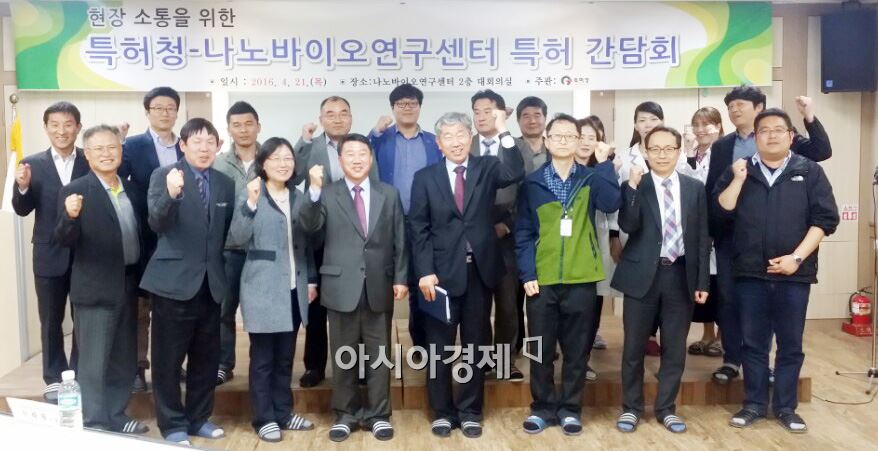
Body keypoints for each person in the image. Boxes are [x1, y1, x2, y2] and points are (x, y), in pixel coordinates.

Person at [716, 108, 838, 434]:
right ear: (755, 137)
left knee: (790, 344)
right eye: (764, 130)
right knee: (753, 344)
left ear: (791, 136)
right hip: (750, 273)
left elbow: (825, 220)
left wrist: (796, 258)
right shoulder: (741, 169)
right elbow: (721, 210)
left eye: (778, 130)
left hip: (794, 274)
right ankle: (754, 404)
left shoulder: (808, 170)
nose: (771, 135)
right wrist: (738, 179)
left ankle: (786, 408)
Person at [410, 110, 525, 438]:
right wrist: (425, 272)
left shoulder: (486, 167)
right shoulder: (425, 177)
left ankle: (471, 410)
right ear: (439, 143)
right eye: (448, 136)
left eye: (461, 134)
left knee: (476, 344)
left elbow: (514, 171)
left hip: (479, 272)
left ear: (470, 136)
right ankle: (442, 412)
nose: (456, 142)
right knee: (439, 348)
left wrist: (503, 129)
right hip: (440, 278)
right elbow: (418, 228)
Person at [515, 113, 620, 436]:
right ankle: (542, 408)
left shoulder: (591, 178)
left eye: (570, 136)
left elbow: (611, 202)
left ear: (578, 142)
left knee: (577, 351)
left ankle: (571, 409)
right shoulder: (532, 183)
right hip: (542, 280)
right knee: (540, 349)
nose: (563, 141)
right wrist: (527, 273)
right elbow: (523, 232)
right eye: (557, 136)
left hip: (581, 278)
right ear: (546, 141)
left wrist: (604, 164)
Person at [299, 133, 408, 442]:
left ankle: (379, 415)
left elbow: (400, 239)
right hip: (340, 285)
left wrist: (401, 277)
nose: (357, 159)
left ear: (370, 159)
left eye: (362, 153)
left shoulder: (389, 193)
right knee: (343, 355)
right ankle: (345, 414)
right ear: (340, 160)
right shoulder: (326, 194)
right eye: (350, 154)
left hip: (379, 284)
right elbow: (309, 227)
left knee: (379, 355)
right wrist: (313, 190)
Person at [139, 118, 235, 445]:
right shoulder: (164, 175)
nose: (204, 148)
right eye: (197, 142)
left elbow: (222, 232)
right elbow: (156, 221)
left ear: (218, 146)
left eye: (210, 142)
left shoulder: (224, 183)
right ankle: (172, 424)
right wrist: (171, 194)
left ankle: (198, 418)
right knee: (168, 360)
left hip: (211, 283)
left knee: (206, 358)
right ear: (182, 145)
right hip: (173, 283)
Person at [612, 126, 710, 434]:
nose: (662, 155)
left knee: (675, 348)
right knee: (633, 347)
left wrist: (702, 282)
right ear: (645, 151)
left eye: (669, 148)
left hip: (680, 275)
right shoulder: (636, 185)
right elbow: (628, 224)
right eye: (655, 149)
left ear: (679, 151)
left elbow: (702, 237)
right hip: (642, 276)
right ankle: (631, 408)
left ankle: (666, 408)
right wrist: (630, 187)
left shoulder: (694, 188)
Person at [54, 124, 148, 434]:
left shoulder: (132, 190)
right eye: (99, 149)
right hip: (95, 288)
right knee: (93, 362)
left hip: (129, 284)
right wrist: (69, 216)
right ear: (87, 155)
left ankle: (117, 414)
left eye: (112, 147)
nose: (107, 154)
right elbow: (63, 239)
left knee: (123, 357)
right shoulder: (75, 190)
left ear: (121, 151)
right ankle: (94, 422)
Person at [227, 138, 317, 442]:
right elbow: (237, 238)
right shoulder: (252, 192)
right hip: (262, 288)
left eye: (288, 158)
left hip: (294, 287)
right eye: (276, 158)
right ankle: (263, 417)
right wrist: (251, 204)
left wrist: (311, 280)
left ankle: (283, 412)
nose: (283, 164)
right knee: (263, 359)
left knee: (285, 357)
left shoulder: (298, 196)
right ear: (263, 163)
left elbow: (307, 241)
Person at [293, 96, 376, 388]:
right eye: (330, 114)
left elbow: (376, 188)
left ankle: (361, 366)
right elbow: (293, 174)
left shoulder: (362, 146)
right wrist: (304, 140)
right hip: (320, 236)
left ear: (351, 118)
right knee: (317, 307)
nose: (337, 119)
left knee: (359, 304)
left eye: (343, 113)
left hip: (358, 238)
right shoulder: (311, 147)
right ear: (321, 119)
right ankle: (315, 366)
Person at [11, 101, 88, 402]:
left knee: (83, 317)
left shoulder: (89, 160)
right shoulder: (32, 164)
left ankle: (80, 373)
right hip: (48, 254)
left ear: (78, 127)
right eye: (54, 125)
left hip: (85, 253)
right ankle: (54, 377)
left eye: (68, 124)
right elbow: (22, 209)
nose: (61, 131)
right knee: (50, 319)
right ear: (45, 128)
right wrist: (22, 187)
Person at [369, 84, 443, 356]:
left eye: (412, 103)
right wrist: (375, 132)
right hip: (387, 221)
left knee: (421, 282)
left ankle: (422, 344)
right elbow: (359, 153)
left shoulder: (434, 141)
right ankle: (377, 350)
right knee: (383, 284)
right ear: (393, 108)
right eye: (401, 104)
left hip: (425, 223)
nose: (407, 108)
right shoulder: (380, 139)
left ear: (420, 107)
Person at [119, 86, 184, 392]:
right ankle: (138, 368)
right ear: (147, 112)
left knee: (173, 308)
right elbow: (119, 181)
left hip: (179, 237)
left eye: (170, 107)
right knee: (141, 308)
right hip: (145, 236)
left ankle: (172, 365)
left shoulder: (186, 145)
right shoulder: (132, 145)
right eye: (158, 108)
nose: (165, 113)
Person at [470, 89, 529, 380]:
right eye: (476, 112)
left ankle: (506, 361)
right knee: (477, 306)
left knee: (507, 304)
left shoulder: (516, 146)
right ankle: (481, 360)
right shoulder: (465, 145)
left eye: (488, 111)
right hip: (473, 238)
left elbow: (526, 191)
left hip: (507, 236)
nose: (481, 117)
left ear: (502, 113)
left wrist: (508, 224)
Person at [212, 101, 262, 385]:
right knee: (224, 309)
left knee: (259, 311)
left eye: (249, 124)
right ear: (229, 129)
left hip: (262, 250)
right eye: (237, 125)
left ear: (258, 126)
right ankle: (223, 363)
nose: (243, 130)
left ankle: (260, 364)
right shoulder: (218, 163)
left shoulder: (271, 159)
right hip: (229, 249)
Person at [616, 101, 665, 356]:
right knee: (640, 285)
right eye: (643, 120)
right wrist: (613, 236)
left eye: (654, 119)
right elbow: (617, 201)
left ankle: (653, 334)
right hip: (634, 232)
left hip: (666, 235)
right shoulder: (624, 157)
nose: (648, 125)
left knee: (663, 284)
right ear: (635, 125)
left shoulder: (673, 154)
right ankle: (639, 336)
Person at [677, 107, 724, 358]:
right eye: (696, 124)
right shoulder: (691, 152)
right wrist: (686, 154)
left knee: (722, 284)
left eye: (707, 124)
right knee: (704, 280)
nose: (701, 129)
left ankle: (722, 337)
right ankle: (707, 334)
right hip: (696, 227)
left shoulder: (724, 152)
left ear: (719, 126)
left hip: (722, 226)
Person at [576, 115, 617, 380]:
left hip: (596, 243)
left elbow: (612, 204)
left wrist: (604, 164)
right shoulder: (558, 168)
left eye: (592, 138)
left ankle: (583, 358)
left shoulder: (603, 168)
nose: (585, 142)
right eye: (581, 136)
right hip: (567, 249)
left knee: (592, 301)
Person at [513, 96, 550, 357]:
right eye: (526, 115)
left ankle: (544, 346)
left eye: (537, 115)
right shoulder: (509, 149)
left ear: (545, 118)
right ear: (518, 121)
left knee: (543, 295)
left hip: (548, 233)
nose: (532, 120)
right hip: (513, 229)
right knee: (513, 294)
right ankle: (515, 344)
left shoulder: (555, 149)